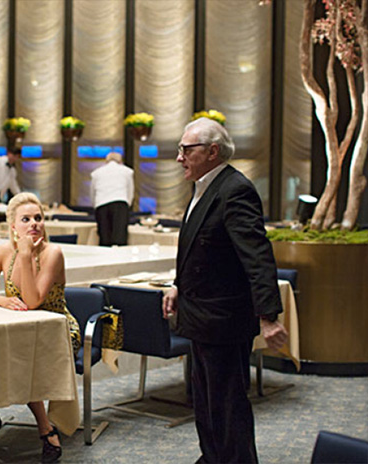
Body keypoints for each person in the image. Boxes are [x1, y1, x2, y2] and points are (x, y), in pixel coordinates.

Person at [162, 118, 288, 463]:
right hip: (201, 315)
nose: (179, 157)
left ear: (212, 151)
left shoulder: (235, 190)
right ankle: (212, 458)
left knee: (228, 405)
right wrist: (178, 285)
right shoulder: (204, 187)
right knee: (205, 402)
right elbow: (202, 249)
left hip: (224, 319)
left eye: (186, 149)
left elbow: (257, 256)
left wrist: (269, 317)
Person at [0, 192, 80, 463]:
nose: (34, 224)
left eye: (38, 218)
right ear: (13, 227)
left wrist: (27, 255)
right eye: (26, 219)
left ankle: (46, 428)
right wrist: (0, 300)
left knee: (22, 356)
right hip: (20, 328)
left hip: (58, 329)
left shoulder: (53, 253)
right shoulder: (3, 252)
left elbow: (32, 302)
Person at [90, 151, 134, 246]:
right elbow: (130, 191)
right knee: (119, 239)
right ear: (120, 161)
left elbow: (92, 192)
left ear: (106, 161)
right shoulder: (127, 171)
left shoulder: (96, 173)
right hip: (120, 203)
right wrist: (128, 205)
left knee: (104, 238)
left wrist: (95, 206)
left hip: (101, 204)